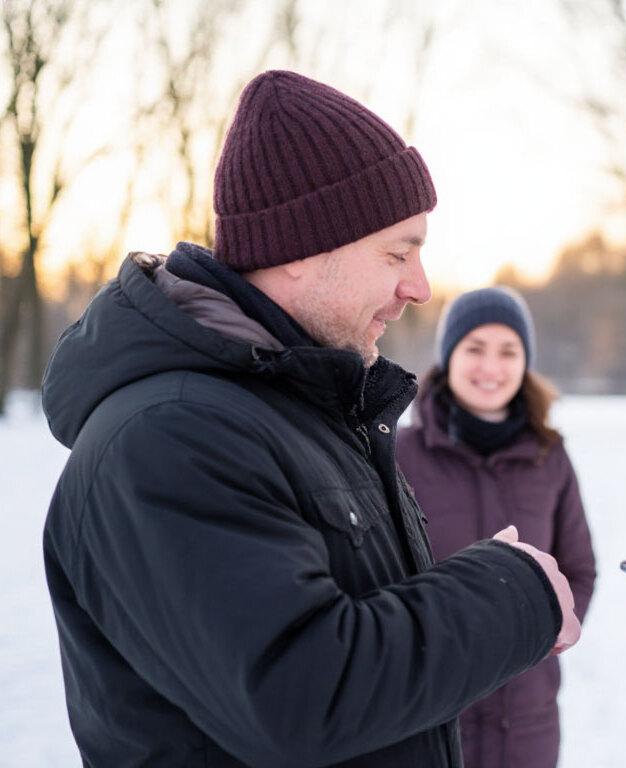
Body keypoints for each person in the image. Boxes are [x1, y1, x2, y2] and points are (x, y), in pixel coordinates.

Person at [41, 70, 579, 768]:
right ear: (299, 252)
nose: (418, 287)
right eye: (398, 251)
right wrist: (511, 594)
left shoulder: (305, 415)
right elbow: (301, 693)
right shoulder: (168, 437)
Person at [394, 286, 597, 768]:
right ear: (448, 356)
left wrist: (546, 634)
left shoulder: (549, 455)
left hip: (527, 723)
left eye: (508, 351)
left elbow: (579, 569)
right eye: (475, 349)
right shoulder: (398, 454)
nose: (491, 367)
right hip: (426, 718)